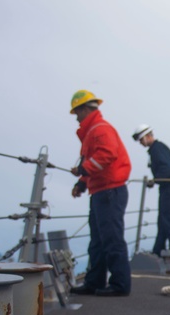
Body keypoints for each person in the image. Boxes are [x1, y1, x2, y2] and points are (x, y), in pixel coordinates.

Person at [67, 89, 132, 297]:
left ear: (85, 109)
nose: (76, 117)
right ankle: (94, 282)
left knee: (111, 238)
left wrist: (84, 171)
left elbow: (107, 154)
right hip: (102, 191)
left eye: (77, 112)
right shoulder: (93, 131)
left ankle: (120, 284)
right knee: (98, 240)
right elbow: (95, 162)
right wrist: (83, 183)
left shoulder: (99, 129)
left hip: (110, 191)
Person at [133, 124, 170, 257]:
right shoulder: (158, 148)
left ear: (148, 136)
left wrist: (155, 180)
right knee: (164, 219)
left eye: (141, 139)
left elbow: (167, 167)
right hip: (169, 188)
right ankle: (158, 249)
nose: (141, 143)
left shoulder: (157, 149)